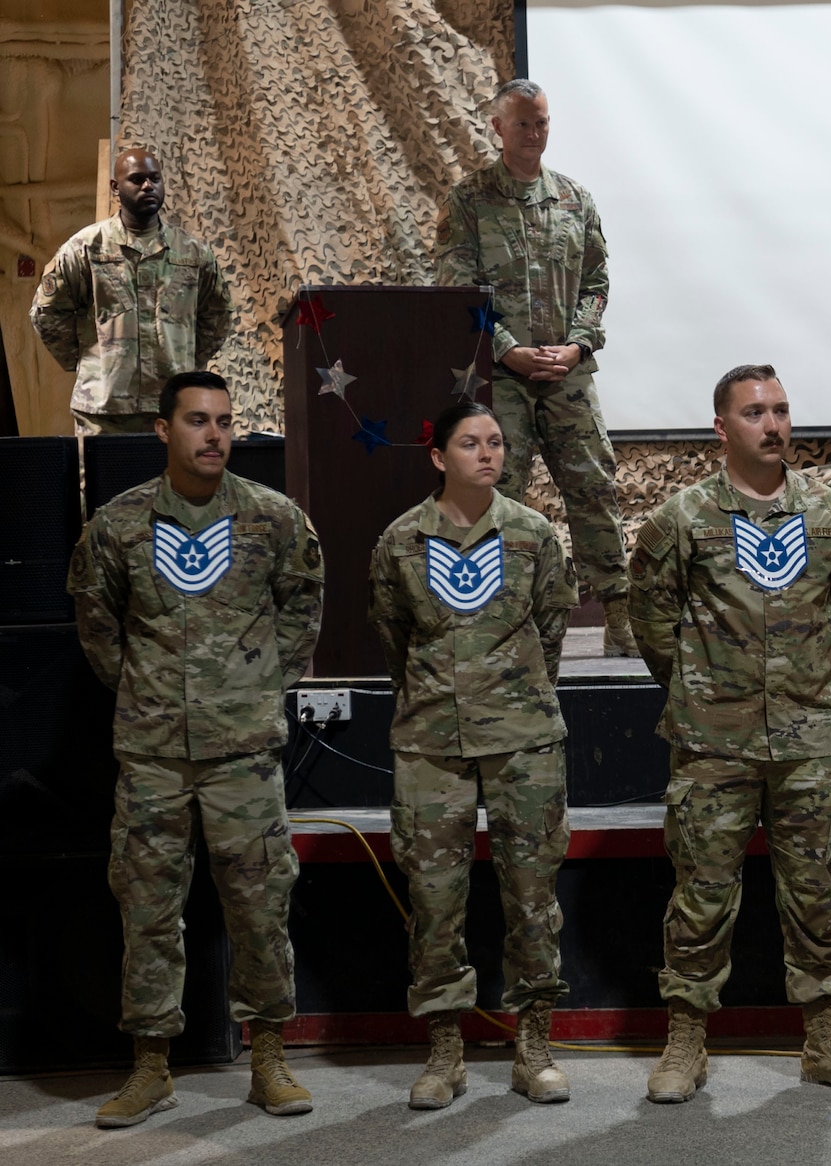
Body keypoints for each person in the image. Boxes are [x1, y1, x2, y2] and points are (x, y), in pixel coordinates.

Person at [66, 371, 321, 1128]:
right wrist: (152, 695)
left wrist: (250, 688)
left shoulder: (273, 519)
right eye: (198, 422)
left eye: (224, 422)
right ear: (164, 430)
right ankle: (151, 1067)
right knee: (147, 909)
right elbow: (99, 631)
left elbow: (302, 612)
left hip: (244, 752)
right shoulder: (119, 525)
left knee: (259, 905)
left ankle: (268, 1060)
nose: (214, 435)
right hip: (152, 755)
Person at [628, 364, 831, 1101]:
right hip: (713, 741)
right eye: (753, 413)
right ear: (721, 428)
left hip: (807, 741)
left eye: (779, 410)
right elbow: (652, 622)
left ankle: (826, 1041)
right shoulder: (681, 520)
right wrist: (707, 689)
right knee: (702, 893)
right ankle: (686, 1041)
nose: (771, 425)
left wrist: (796, 686)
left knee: (814, 893)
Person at [368, 402, 580, 1107]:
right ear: (438, 456)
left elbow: (551, 630)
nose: (486, 454)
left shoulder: (533, 535)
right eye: (469, 443)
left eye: (495, 442)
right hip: (432, 745)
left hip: (524, 742)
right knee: (434, 903)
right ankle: (444, 1052)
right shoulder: (401, 541)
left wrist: (514, 696)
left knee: (532, 899)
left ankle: (534, 1046)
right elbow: (395, 639)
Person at [436, 78, 635, 657]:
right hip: (502, 375)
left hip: (567, 370)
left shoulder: (574, 198)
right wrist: (503, 347)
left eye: (542, 121)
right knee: (500, 490)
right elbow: (456, 285)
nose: (535, 132)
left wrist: (577, 344)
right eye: (523, 122)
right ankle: (506, 613)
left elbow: (596, 282)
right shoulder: (468, 201)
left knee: (594, 487)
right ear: (497, 128)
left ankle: (618, 615)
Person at [31, 148, 231, 436]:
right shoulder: (87, 248)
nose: (148, 186)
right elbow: (47, 313)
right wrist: (89, 360)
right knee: (107, 482)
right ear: (115, 187)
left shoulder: (193, 251)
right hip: (104, 414)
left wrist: (187, 360)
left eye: (155, 178)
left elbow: (218, 313)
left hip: (173, 408)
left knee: (174, 483)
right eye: (137, 179)